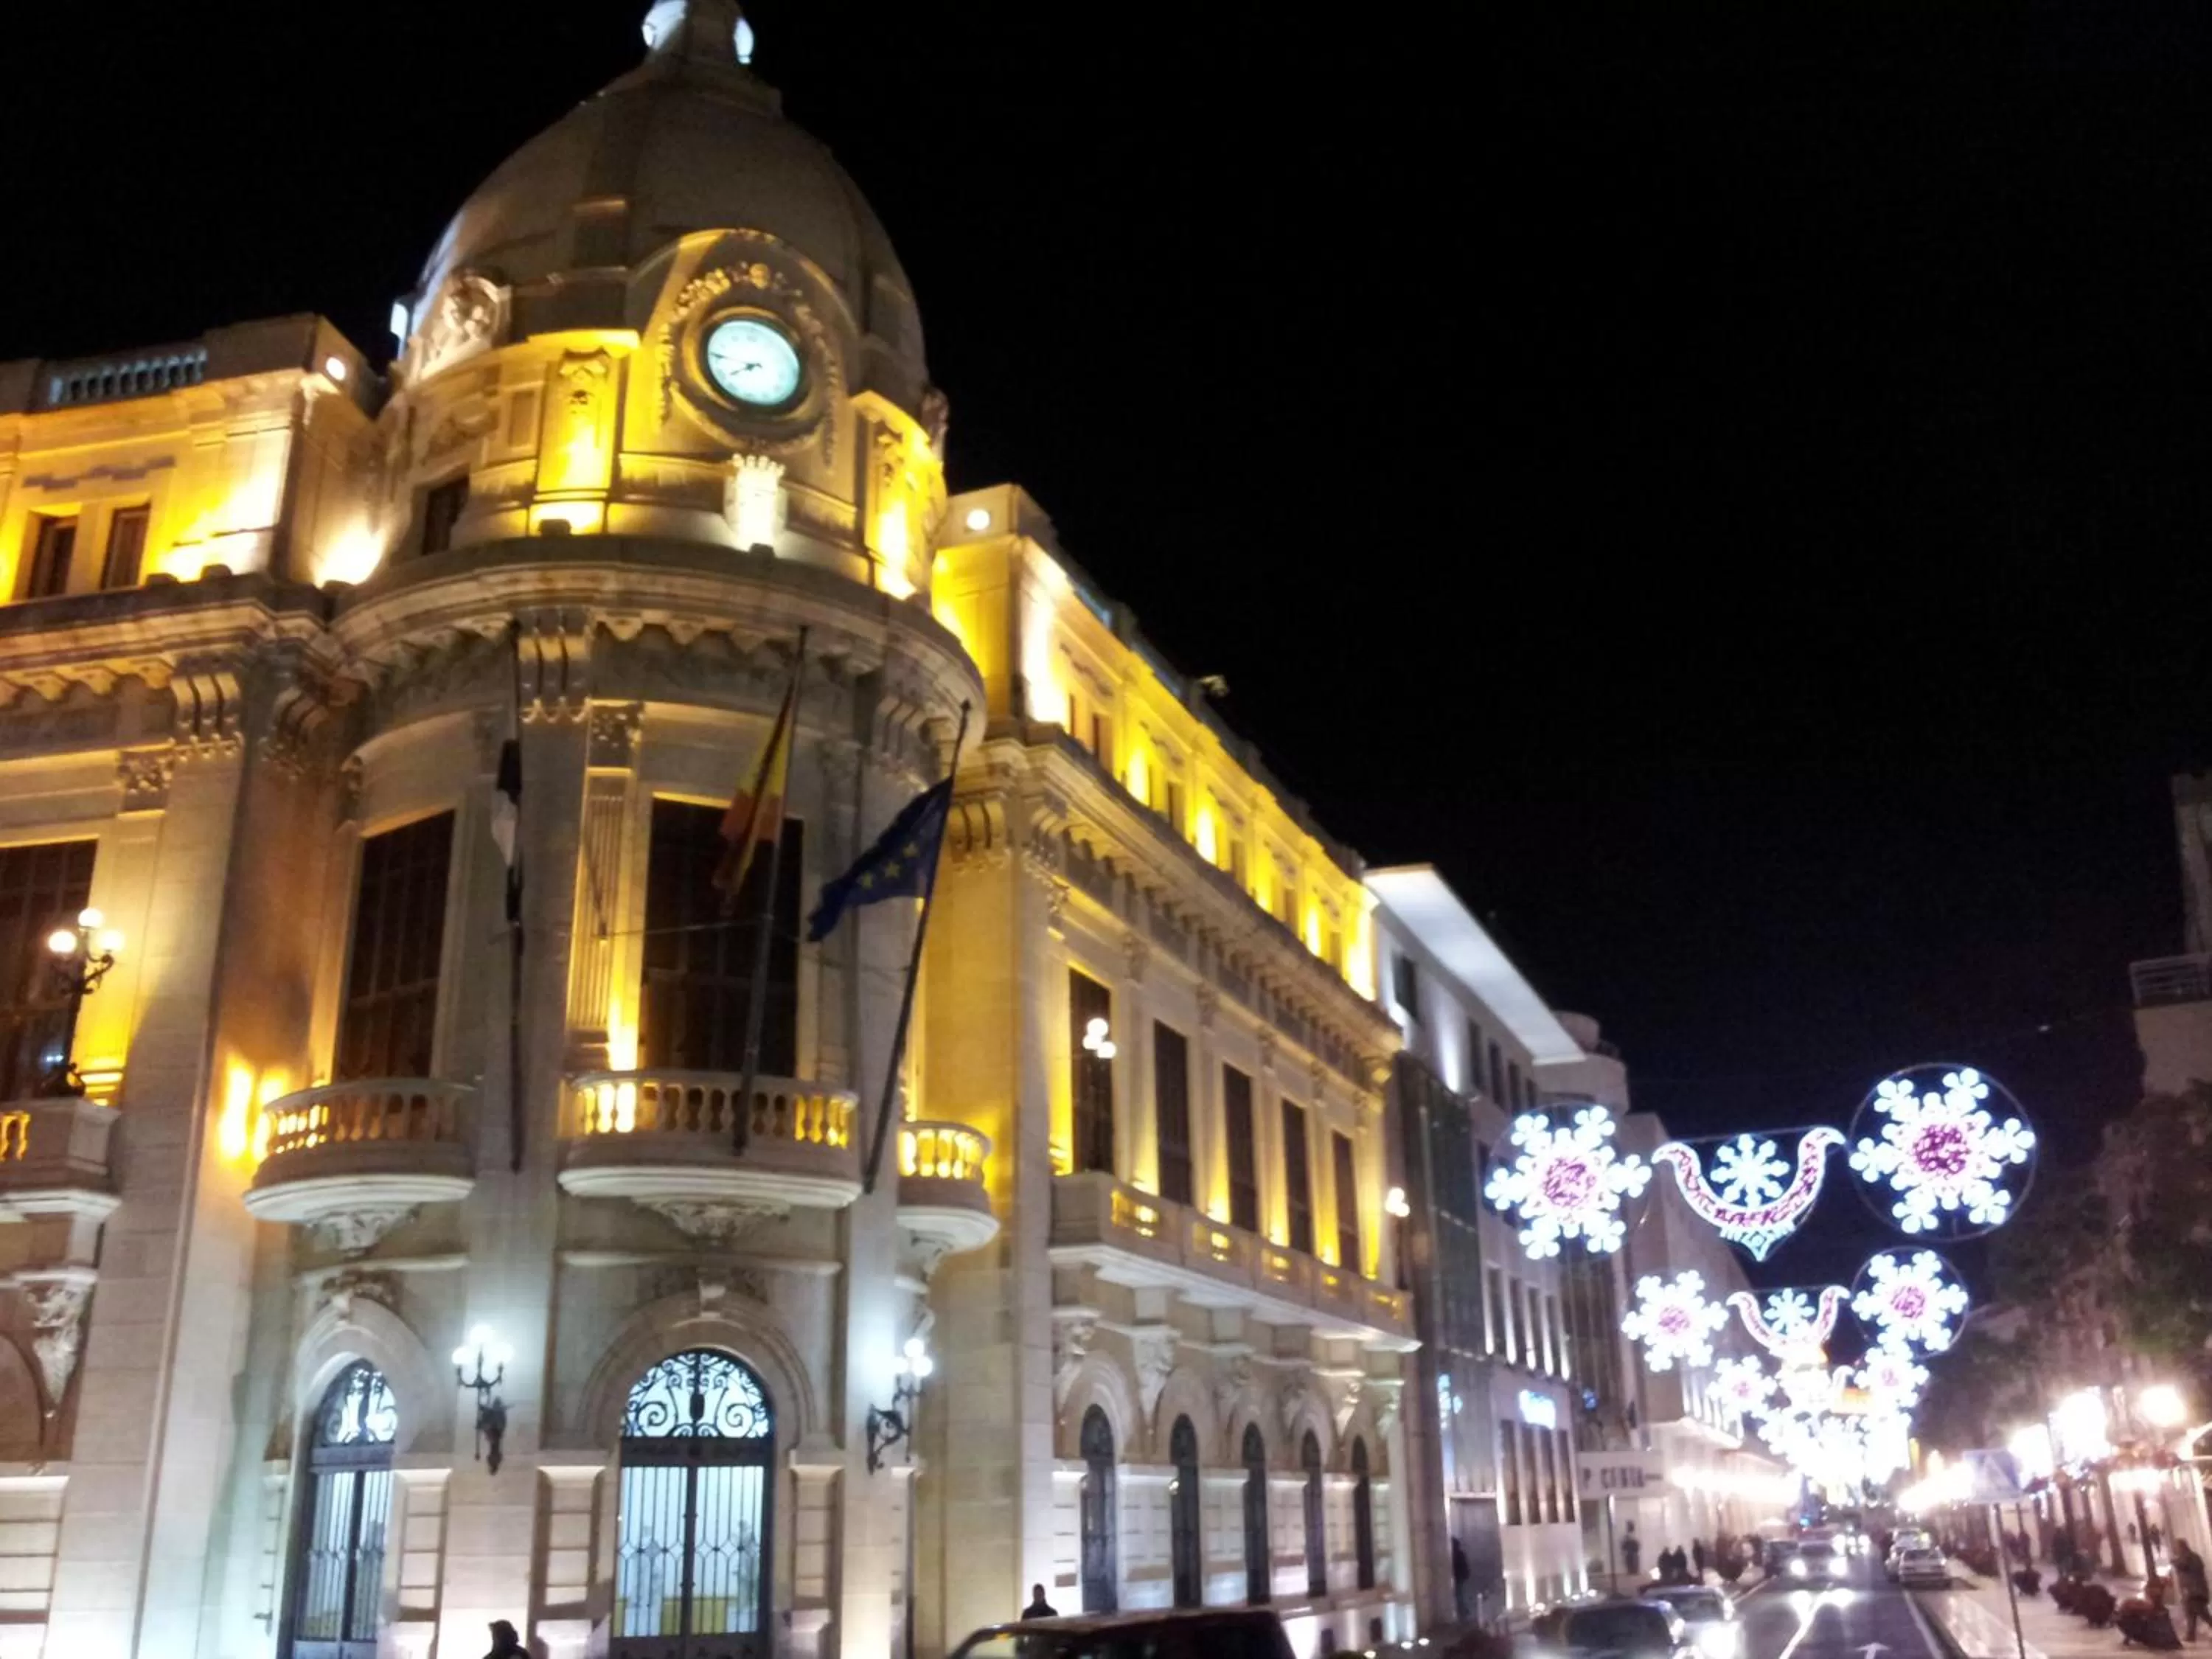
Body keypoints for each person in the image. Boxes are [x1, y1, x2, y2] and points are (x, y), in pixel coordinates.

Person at [2172, 1540, 2210, 1642]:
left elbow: (2183, 1565)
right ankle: (2191, 1635)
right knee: (2190, 1613)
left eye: (2177, 1547)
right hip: (2191, 1591)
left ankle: (2191, 1635)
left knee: (2202, 1613)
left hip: (2195, 1591)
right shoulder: (2191, 1557)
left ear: (2182, 1547)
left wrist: (2174, 1561)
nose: (2176, 1550)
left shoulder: (2189, 1557)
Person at [1453, 1535, 1472, 1621]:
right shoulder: (1460, 1554)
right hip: (1460, 1577)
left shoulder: (1457, 1554)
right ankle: (1463, 1611)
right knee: (1460, 1595)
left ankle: (1463, 1611)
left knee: (1460, 1595)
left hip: (1459, 1578)